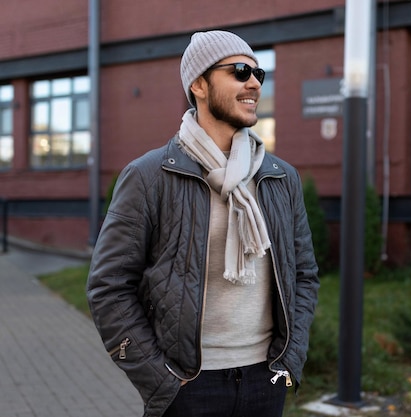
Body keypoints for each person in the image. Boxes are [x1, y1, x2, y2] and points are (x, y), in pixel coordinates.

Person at [86, 30, 320, 417]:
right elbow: (108, 286)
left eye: (259, 74)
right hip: (189, 385)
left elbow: (305, 274)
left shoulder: (279, 177)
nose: (253, 83)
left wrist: (290, 362)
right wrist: (160, 378)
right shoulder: (149, 176)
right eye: (240, 71)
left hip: (266, 378)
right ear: (198, 84)